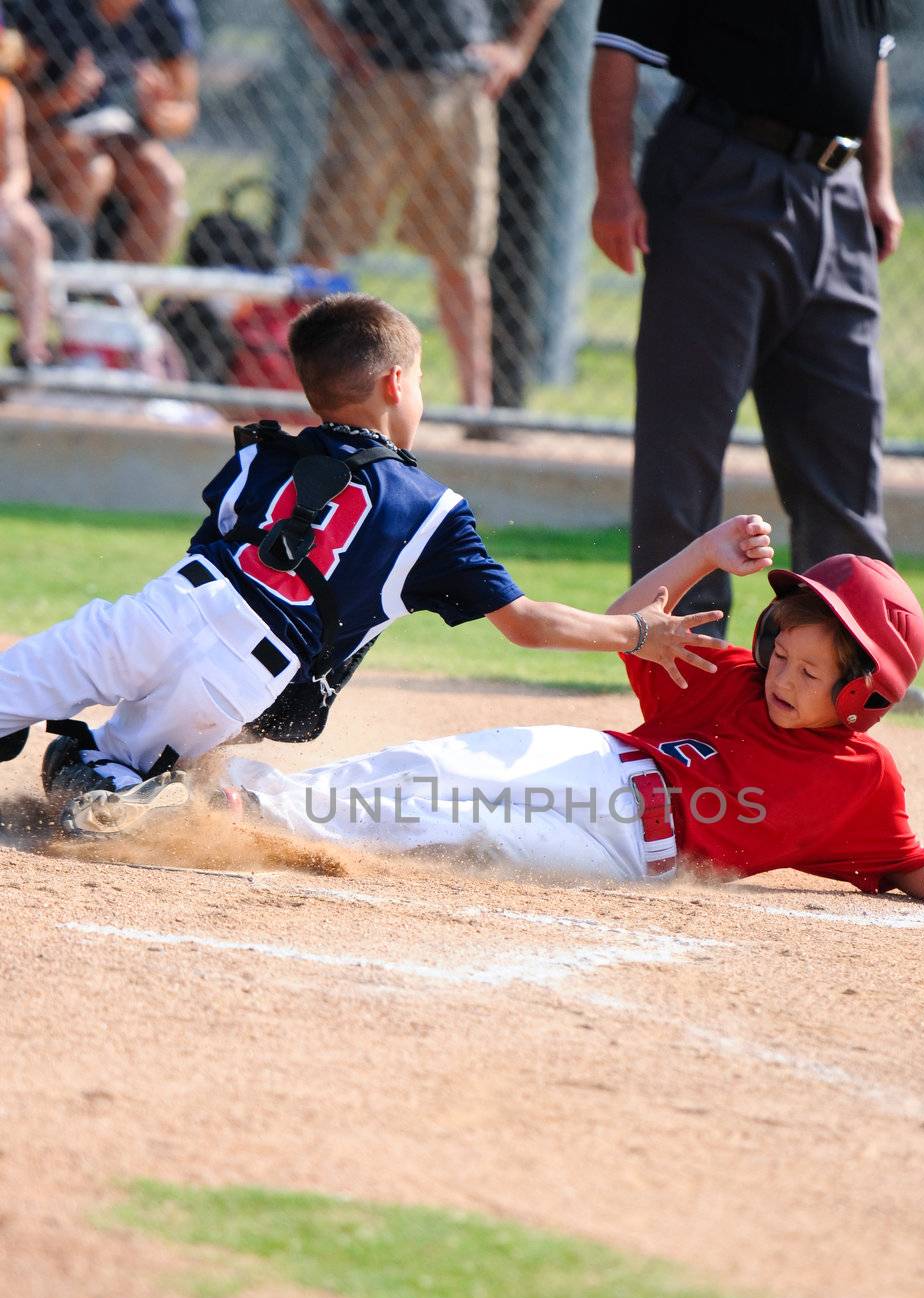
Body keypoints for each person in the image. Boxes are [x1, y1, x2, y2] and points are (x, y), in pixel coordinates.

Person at [0, 292, 720, 834]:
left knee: (24, 698)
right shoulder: (432, 510)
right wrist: (636, 634)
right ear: (396, 384)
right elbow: (527, 624)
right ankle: (124, 792)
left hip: (166, 608)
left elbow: (214, 548)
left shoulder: (259, 453)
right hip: (242, 675)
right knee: (105, 765)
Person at [218, 521, 924, 917]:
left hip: (627, 857)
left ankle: (267, 820)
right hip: (593, 768)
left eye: (809, 673)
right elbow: (627, 616)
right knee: (448, 772)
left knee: (469, 839)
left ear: (863, 695)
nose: (782, 678)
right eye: (783, 655)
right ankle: (242, 806)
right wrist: (704, 557)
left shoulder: (860, 782)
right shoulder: (729, 680)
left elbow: (907, 862)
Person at [589, 2, 924, 713]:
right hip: (721, 171)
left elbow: (870, 62)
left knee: (844, 435)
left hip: (835, 186)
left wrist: (876, 182)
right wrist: (613, 186)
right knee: (684, 434)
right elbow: (616, 48)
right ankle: (689, 659)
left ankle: (851, 656)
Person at [284, 0, 562, 417]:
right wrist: (327, 31)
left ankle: (476, 409)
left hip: (460, 77)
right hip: (375, 72)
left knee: (461, 252)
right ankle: (308, 397)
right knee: (326, 241)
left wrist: (518, 47)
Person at [12, 0, 200, 263]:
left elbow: (185, 111)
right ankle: (58, 289)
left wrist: (159, 113)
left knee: (165, 181)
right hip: (44, 130)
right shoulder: (52, 8)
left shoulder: (168, 9)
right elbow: (12, 103)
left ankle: (121, 300)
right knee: (88, 169)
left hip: (116, 131)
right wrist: (59, 100)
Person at [0, 18, 53, 367]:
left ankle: (32, 350)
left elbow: (17, 170)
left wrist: (6, 196)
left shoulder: (5, 96)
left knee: (30, 230)